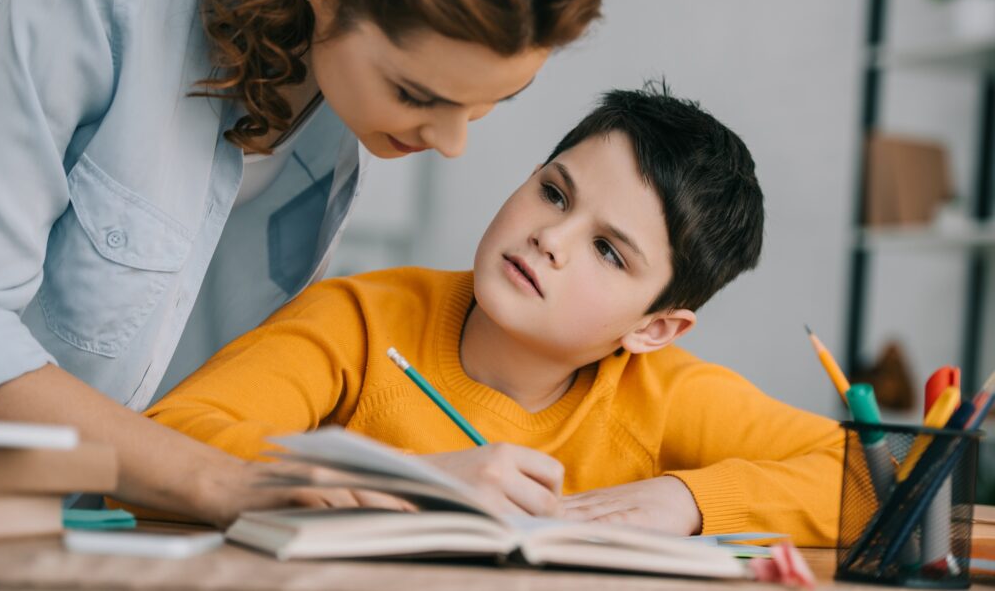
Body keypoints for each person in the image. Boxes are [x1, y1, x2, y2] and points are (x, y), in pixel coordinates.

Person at [0, 0, 607, 527]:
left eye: (488, 101)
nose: (450, 141)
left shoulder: (343, 85)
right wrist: (220, 480)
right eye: (415, 94)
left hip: (127, 530)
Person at [146, 85, 845, 545]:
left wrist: (689, 498)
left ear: (654, 327)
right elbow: (170, 438)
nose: (551, 237)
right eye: (554, 193)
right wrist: (414, 484)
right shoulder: (358, 319)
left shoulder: (663, 393)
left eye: (607, 250)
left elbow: (886, 476)